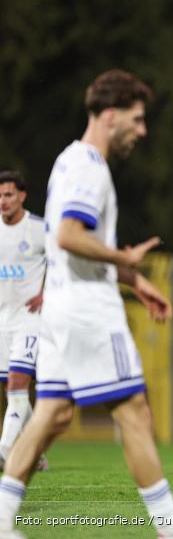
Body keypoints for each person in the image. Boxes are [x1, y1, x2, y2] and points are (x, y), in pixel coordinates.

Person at [0, 70, 173, 539]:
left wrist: (133, 280)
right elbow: (69, 235)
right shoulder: (89, 166)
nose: (142, 130)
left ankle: (2, 520)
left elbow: (65, 239)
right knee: (132, 408)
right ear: (111, 116)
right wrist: (123, 259)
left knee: (53, 413)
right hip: (89, 310)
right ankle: (172, 527)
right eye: (137, 119)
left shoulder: (69, 159)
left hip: (62, 308)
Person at [0, 171, 48, 471]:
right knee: (11, 391)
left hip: (30, 320)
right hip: (2, 320)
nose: (2, 201)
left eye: (8, 194)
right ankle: (37, 449)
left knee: (18, 385)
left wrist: (47, 293)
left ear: (22, 196)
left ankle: (4, 452)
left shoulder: (39, 229)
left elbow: (63, 262)